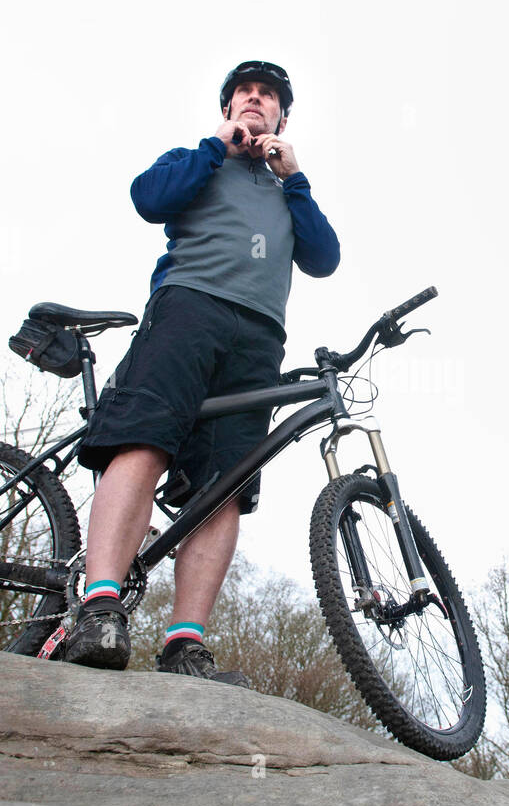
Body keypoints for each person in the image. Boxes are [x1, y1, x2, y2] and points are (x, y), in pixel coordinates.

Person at [59, 60, 340, 682]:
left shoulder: (286, 188)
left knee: (225, 485)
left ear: (282, 118)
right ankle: (99, 605)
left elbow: (324, 258)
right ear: (227, 108)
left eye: (268, 97)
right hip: (190, 305)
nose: (256, 101)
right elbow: (148, 198)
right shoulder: (200, 159)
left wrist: (295, 179)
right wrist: (216, 146)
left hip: (259, 337)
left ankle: (185, 645)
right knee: (146, 438)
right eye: (245, 93)